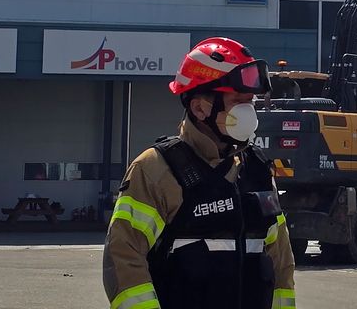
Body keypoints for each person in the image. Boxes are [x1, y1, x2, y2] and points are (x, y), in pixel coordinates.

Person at [102, 38, 295, 309]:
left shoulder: (257, 170)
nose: (249, 112)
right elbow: (124, 258)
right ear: (200, 107)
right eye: (238, 102)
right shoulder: (156, 170)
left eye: (250, 102)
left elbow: (280, 262)